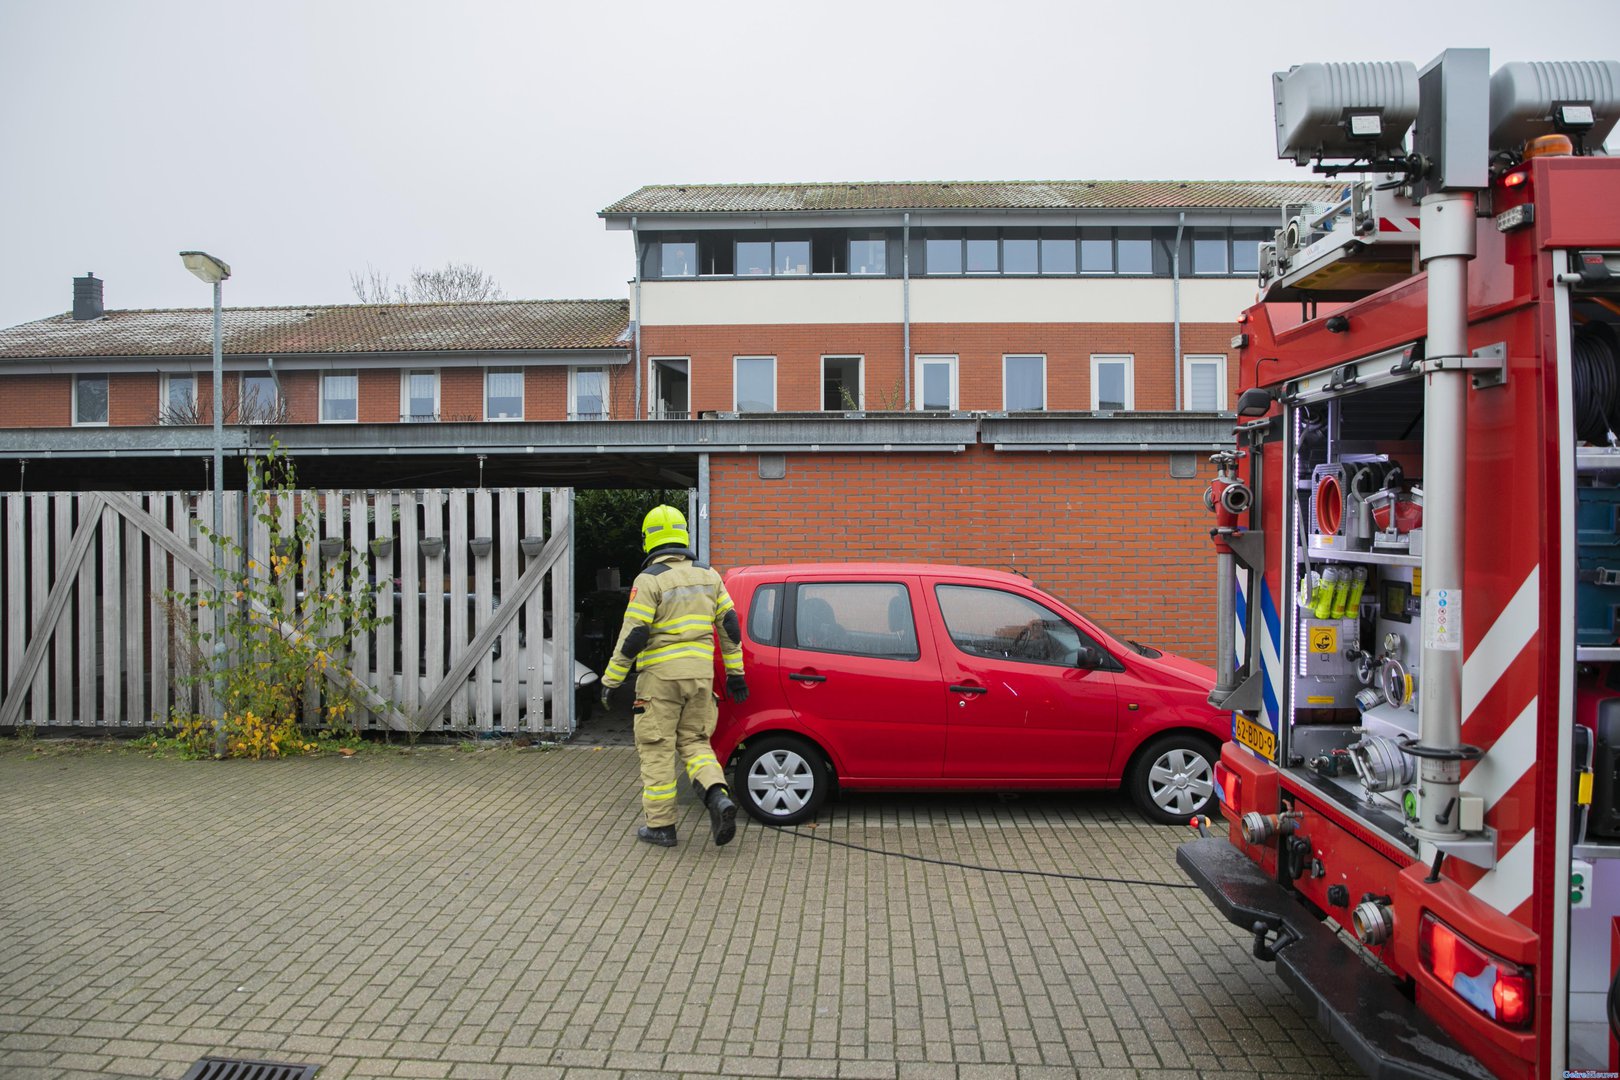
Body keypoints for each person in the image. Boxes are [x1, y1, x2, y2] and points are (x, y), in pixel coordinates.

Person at [599, 505, 748, 847]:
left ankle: (662, 826)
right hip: (700, 678)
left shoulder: (649, 580)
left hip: (660, 681)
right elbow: (730, 626)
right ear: (683, 533)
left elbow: (634, 635)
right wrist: (736, 672)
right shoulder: (709, 575)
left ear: (648, 539)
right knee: (696, 743)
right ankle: (717, 795)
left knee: (657, 749)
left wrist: (611, 680)